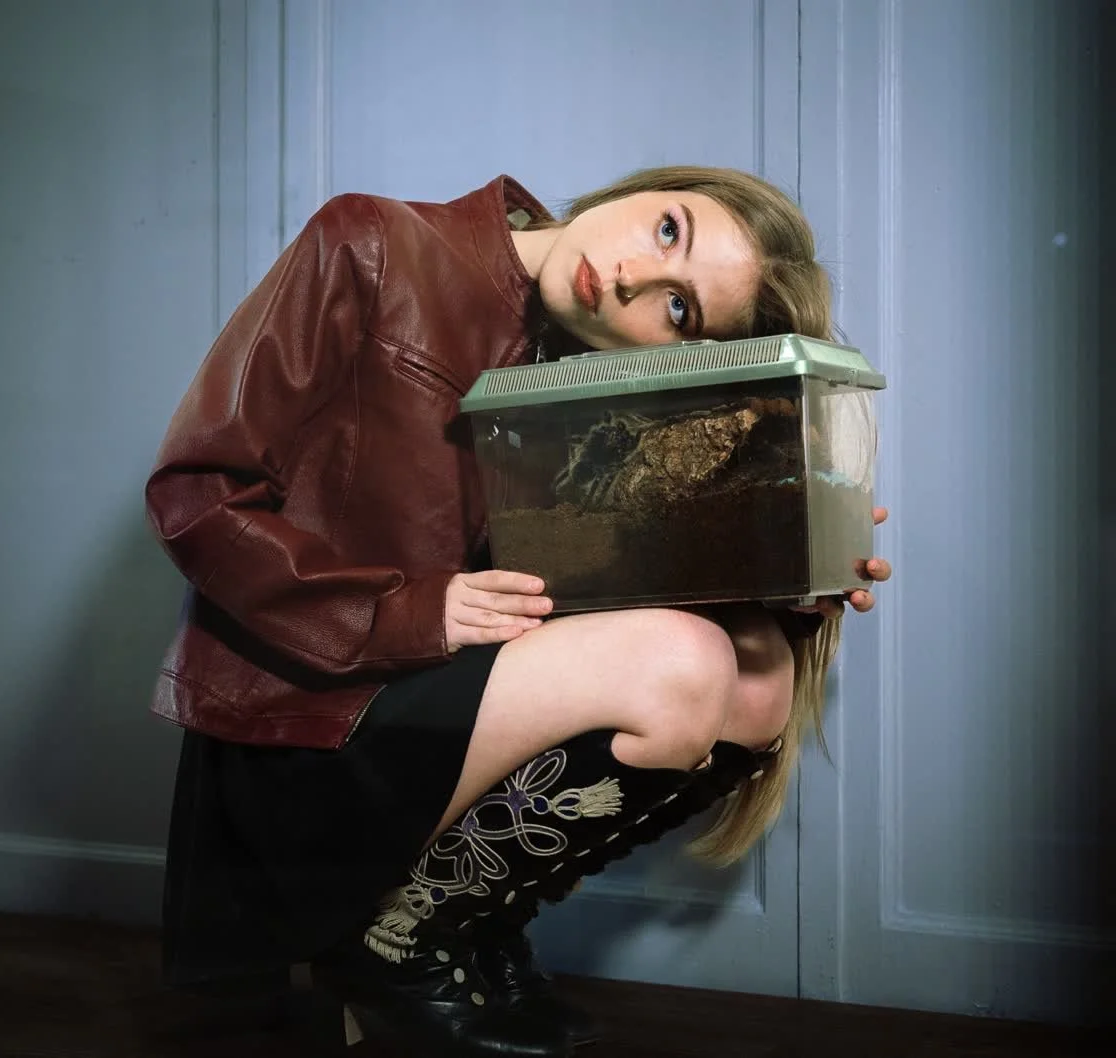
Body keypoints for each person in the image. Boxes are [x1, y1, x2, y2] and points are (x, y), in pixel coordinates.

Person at [145, 166, 893, 1057]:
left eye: (680, 311)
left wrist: (788, 561)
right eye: (668, 232)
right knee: (679, 665)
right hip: (304, 720)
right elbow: (198, 495)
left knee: (762, 675)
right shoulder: (373, 242)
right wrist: (409, 611)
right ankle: (396, 943)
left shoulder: (591, 366)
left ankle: (450, 923)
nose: (629, 281)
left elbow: (572, 586)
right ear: (651, 189)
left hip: (427, 706)